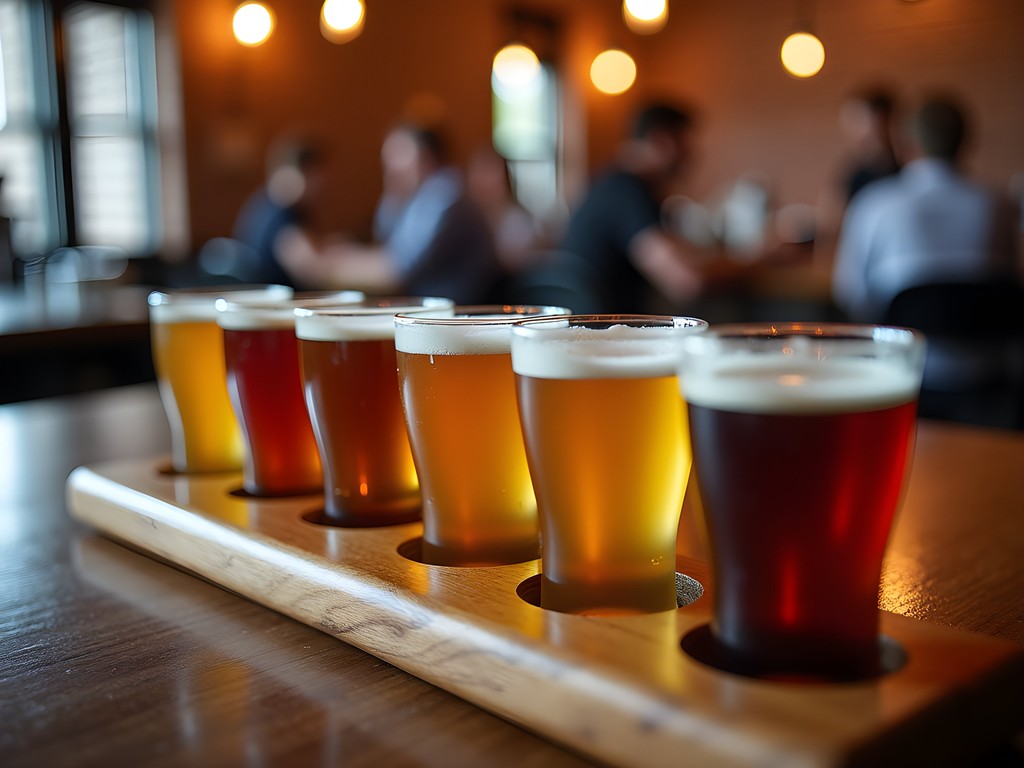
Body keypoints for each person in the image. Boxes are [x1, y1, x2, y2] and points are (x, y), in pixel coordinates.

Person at [832, 97, 1019, 322]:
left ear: (904, 144)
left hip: (899, 354)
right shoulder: (1001, 204)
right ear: (964, 141)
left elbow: (849, 293)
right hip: (992, 354)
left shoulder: (873, 204)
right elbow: (1010, 280)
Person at [326, 123, 500, 304]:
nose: (390, 167)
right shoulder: (419, 196)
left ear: (427, 158)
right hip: (435, 312)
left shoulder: (443, 194)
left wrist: (324, 266)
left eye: (398, 155)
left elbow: (397, 271)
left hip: (456, 317)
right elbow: (386, 244)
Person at [558, 102, 705, 313]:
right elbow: (685, 282)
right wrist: (751, 263)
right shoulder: (627, 192)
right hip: (609, 334)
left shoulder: (610, 182)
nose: (692, 154)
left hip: (599, 327)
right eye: (686, 143)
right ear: (661, 139)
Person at [231, 138, 328, 288]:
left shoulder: (262, 202)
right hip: (281, 306)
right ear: (298, 174)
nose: (323, 186)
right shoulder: (281, 214)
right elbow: (311, 268)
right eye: (318, 177)